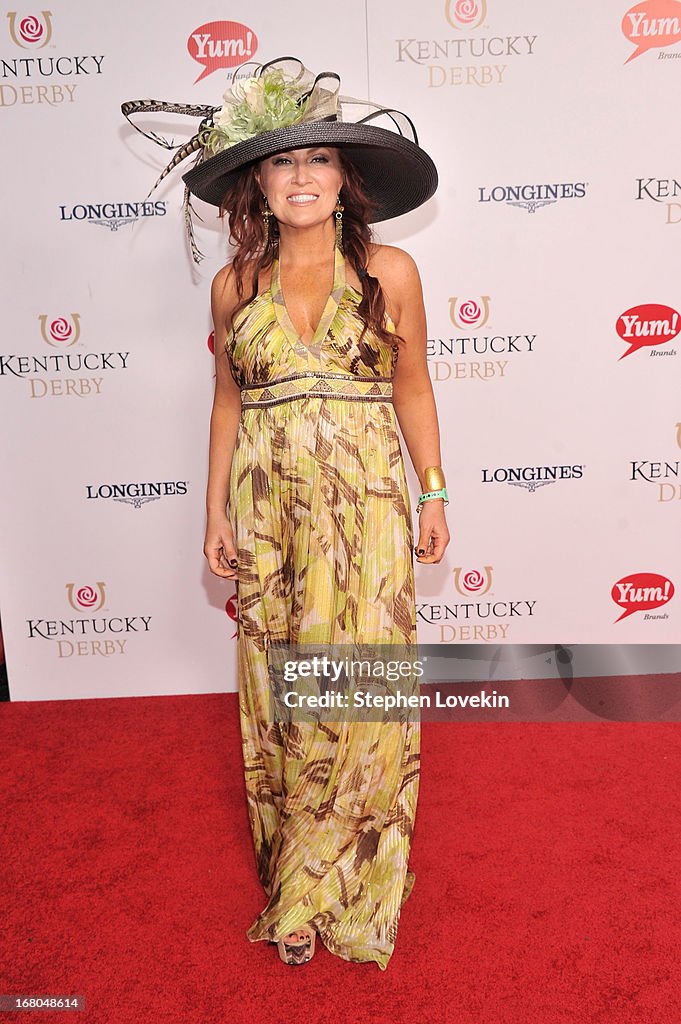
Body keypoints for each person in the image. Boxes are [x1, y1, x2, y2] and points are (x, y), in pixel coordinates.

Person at [122, 57, 450, 970]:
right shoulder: (233, 286)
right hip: (267, 506)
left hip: (370, 502)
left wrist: (433, 491)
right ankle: (301, 881)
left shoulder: (391, 269)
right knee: (285, 687)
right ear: (256, 185)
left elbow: (414, 387)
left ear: (345, 179)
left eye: (319, 160)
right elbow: (225, 405)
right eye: (281, 163)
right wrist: (213, 513)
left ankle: (354, 868)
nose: (301, 176)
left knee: (359, 681)